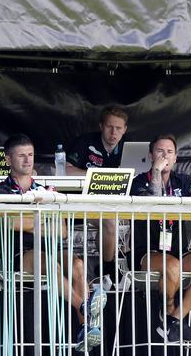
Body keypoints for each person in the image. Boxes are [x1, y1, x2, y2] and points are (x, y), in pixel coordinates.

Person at [0, 134, 107, 352]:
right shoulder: (0, 189)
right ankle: (83, 305)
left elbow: (63, 230)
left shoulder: (47, 191)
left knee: (77, 265)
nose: (28, 161)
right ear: (8, 160)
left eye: (31, 155)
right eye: (21, 156)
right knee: (49, 263)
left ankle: (85, 330)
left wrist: (29, 222)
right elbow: (9, 223)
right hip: (18, 254)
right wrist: (42, 222)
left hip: (52, 248)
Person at [130, 134, 191, 343]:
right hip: (147, 250)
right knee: (172, 267)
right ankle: (168, 309)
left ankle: (174, 319)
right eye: (160, 151)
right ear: (151, 155)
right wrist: (156, 173)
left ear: (176, 158)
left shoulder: (184, 180)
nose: (165, 156)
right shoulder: (137, 182)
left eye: (169, 152)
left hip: (178, 249)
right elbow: (152, 203)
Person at [65, 106, 128, 281]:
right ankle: (108, 268)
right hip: (82, 202)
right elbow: (65, 170)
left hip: (114, 203)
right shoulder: (85, 142)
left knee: (138, 219)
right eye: (109, 127)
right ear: (101, 126)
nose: (113, 132)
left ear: (125, 130)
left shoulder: (129, 147)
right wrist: (96, 176)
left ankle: (128, 261)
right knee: (109, 222)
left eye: (118, 128)